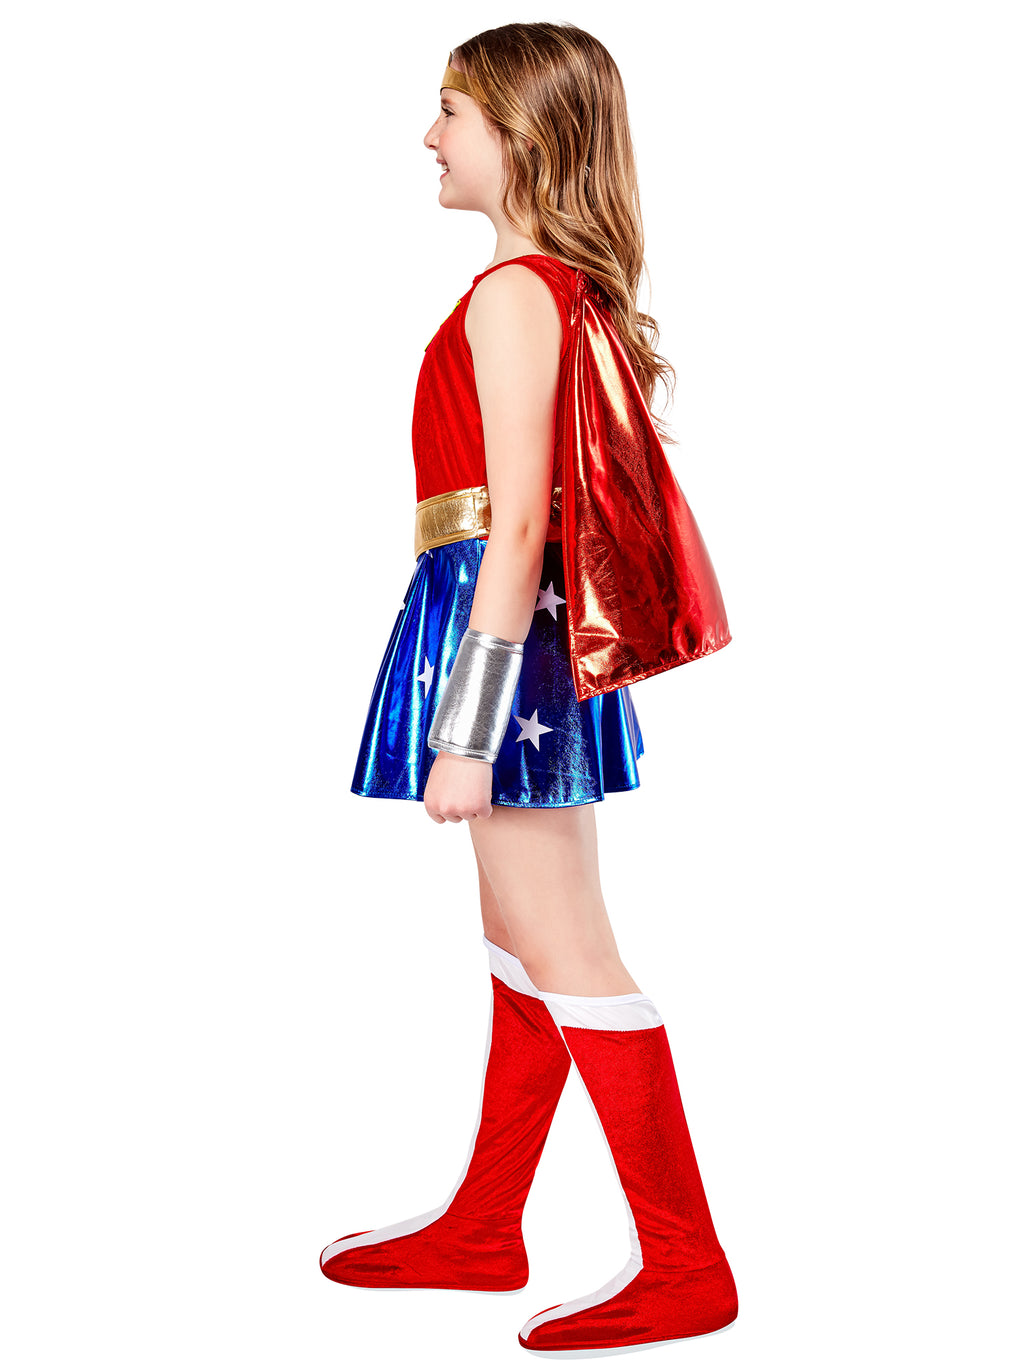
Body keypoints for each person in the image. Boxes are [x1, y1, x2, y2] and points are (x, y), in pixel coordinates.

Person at [320, 22, 738, 1354]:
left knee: (571, 950)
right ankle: (486, 1224)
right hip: (506, 638)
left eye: (451, 111)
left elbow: (512, 529)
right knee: (520, 945)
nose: (429, 136)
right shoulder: (542, 290)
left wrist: (467, 728)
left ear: (525, 134)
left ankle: (687, 1264)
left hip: (506, 651)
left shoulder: (516, 293)